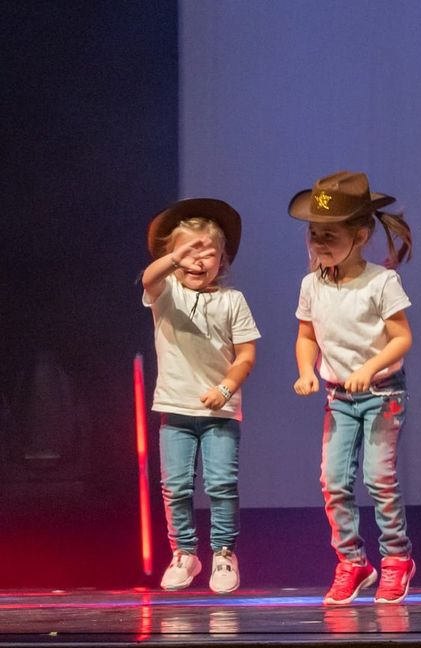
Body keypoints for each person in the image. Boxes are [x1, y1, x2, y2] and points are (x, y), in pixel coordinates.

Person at [289, 171, 417, 605]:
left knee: (379, 479)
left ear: (360, 235)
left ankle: (397, 559)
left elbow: (401, 338)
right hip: (339, 397)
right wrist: (307, 370)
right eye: (314, 234)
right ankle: (352, 561)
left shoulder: (380, 281)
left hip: (382, 394)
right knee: (333, 482)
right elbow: (307, 336)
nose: (320, 243)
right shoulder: (312, 285)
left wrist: (371, 367)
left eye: (331, 234)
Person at [143, 198, 259, 594]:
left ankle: (224, 553)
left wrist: (226, 387)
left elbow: (245, 354)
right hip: (175, 410)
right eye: (187, 253)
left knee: (221, 484)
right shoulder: (167, 292)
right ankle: (184, 553)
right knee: (175, 486)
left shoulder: (232, 300)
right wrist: (175, 258)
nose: (197, 262)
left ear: (222, 258)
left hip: (220, 411)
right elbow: (148, 279)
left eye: (206, 253)